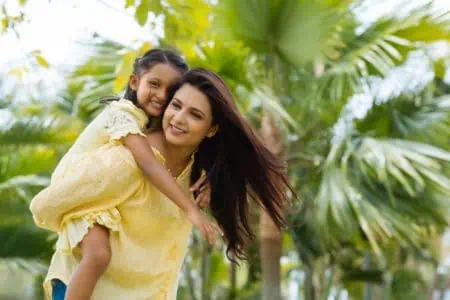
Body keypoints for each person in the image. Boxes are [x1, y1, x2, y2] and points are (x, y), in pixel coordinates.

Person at [30, 50, 219, 300]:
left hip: (102, 199)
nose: (161, 96)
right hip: (83, 196)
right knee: (98, 256)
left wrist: (211, 177)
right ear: (134, 82)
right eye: (154, 84)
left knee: (99, 256)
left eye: (170, 91)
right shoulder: (122, 115)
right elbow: (149, 163)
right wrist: (190, 209)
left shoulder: (150, 122)